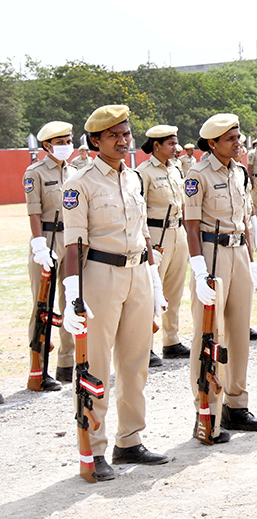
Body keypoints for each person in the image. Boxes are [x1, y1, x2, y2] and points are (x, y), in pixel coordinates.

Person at [61, 104, 172, 480]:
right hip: (101, 276)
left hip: (138, 272)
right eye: (114, 136)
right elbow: (73, 244)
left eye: (126, 134)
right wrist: (72, 294)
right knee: (95, 363)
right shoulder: (81, 182)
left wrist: (154, 282)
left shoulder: (132, 178)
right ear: (95, 140)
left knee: (135, 361)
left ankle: (130, 440)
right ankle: (93, 449)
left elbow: (142, 233)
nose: (124, 141)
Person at [184, 113, 257, 443]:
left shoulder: (239, 172)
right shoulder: (197, 175)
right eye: (231, 139)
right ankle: (206, 411)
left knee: (239, 332)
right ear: (213, 143)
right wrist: (199, 268)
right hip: (211, 253)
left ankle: (237, 404)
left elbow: (243, 219)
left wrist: (250, 261)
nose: (239, 142)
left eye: (239, 136)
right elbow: (191, 225)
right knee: (209, 335)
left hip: (236, 251)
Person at [24, 120, 77, 390]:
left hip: (70, 240)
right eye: (60, 142)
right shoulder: (35, 172)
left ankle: (66, 363)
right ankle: (38, 367)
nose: (66, 146)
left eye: (68, 141)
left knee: (72, 300)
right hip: (47, 237)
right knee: (42, 305)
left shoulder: (76, 170)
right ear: (47, 146)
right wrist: (38, 245)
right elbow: (34, 211)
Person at [136, 125, 190, 362]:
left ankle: (171, 340)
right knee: (150, 291)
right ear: (156, 145)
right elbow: (139, 211)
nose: (175, 148)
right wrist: (147, 245)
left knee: (174, 290)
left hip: (178, 232)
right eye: (171, 143)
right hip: (156, 234)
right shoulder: (143, 172)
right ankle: (144, 345)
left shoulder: (176, 169)